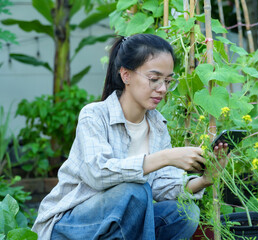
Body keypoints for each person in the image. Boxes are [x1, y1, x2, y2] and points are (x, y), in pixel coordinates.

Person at [32, 33, 228, 240]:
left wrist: (206, 179)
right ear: (125, 75)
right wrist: (166, 157)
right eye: (154, 79)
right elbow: (97, 175)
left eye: (168, 81)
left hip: (119, 226)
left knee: (184, 214)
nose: (162, 89)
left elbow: (162, 188)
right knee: (134, 190)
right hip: (71, 226)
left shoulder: (157, 125)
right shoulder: (94, 115)